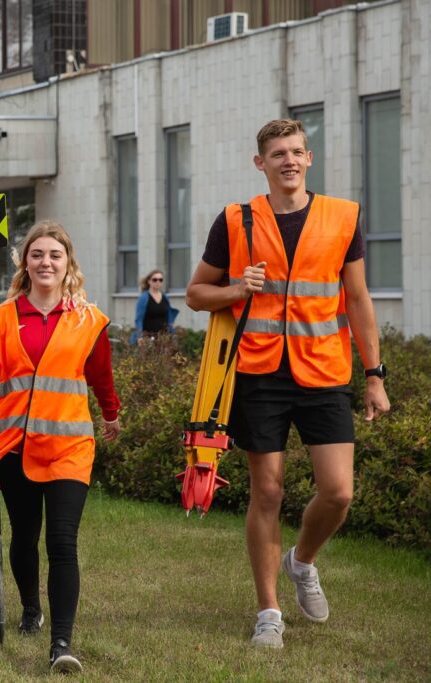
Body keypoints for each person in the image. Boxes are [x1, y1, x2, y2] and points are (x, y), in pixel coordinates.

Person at [185, 119, 390, 650]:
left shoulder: (343, 217)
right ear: (261, 163)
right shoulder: (235, 220)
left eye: (296, 152)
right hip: (258, 373)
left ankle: (301, 561)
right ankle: (268, 612)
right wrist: (234, 288)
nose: (288, 161)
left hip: (323, 370)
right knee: (268, 491)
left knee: (339, 492)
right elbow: (195, 294)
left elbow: (359, 299)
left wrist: (374, 375)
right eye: (277, 154)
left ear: (310, 158)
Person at [0, 220, 121, 674]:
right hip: (15, 445)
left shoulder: (89, 320)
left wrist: (110, 415)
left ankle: (61, 641)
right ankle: (31, 609)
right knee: (25, 536)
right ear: (25, 264)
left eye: (55, 255)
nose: (46, 262)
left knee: (62, 541)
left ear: (68, 263)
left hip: (69, 446)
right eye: (37, 255)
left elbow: (101, 376)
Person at [130, 269, 178, 343]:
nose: (158, 282)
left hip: (163, 337)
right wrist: (139, 337)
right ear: (149, 281)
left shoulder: (165, 297)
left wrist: (172, 333)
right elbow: (138, 319)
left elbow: (169, 318)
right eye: (155, 280)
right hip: (148, 338)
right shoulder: (144, 298)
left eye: (160, 280)